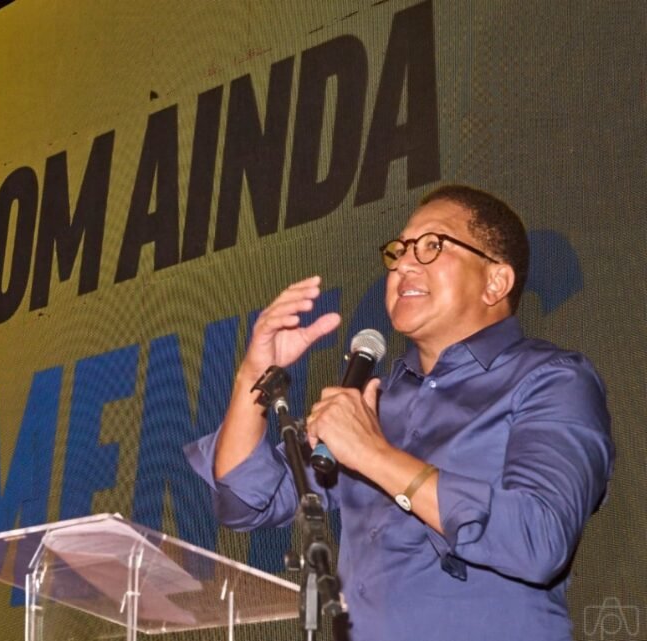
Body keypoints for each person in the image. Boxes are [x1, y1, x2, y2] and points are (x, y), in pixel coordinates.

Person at [184, 185, 614, 641]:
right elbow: (246, 502)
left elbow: (540, 538)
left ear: (496, 282)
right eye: (400, 250)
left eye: (432, 246)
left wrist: (373, 455)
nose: (403, 264)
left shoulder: (552, 380)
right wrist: (253, 373)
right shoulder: (377, 400)